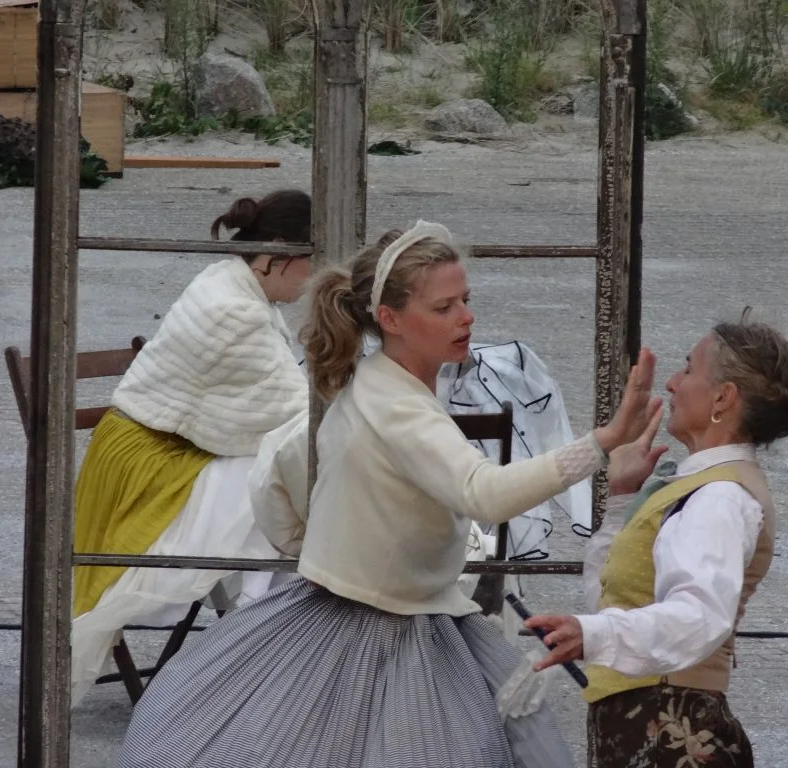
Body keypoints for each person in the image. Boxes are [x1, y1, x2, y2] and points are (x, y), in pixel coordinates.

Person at [114, 220, 658, 768]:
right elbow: (484, 494)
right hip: (369, 626)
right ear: (391, 319)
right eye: (444, 308)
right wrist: (601, 444)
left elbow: (287, 486)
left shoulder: (377, 381)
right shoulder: (396, 406)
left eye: (465, 301)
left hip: (377, 614)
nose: (465, 317)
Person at [526, 312, 788, 768]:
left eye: (686, 369)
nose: (670, 383)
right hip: (645, 724)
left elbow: (701, 615)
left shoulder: (719, 496)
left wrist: (594, 633)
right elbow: (615, 597)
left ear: (723, 397)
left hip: (673, 731)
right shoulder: (696, 488)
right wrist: (623, 497)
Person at [70, 189, 313, 705]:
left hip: (153, 446)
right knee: (272, 488)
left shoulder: (232, 280)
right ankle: (255, 641)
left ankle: (257, 632)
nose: (313, 277)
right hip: (146, 464)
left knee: (275, 479)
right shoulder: (235, 311)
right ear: (277, 259)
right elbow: (296, 413)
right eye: (310, 262)